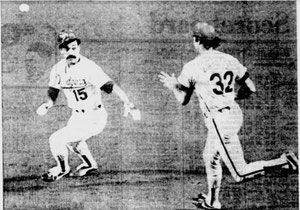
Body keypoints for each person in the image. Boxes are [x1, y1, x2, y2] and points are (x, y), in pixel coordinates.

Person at [158, 22, 298, 209]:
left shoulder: (192, 66)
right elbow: (251, 89)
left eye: (194, 39)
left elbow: (183, 99)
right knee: (210, 157)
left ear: (197, 41)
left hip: (218, 121)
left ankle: (285, 162)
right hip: (233, 114)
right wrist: (230, 97)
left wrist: (174, 85)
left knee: (241, 174)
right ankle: (213, 201)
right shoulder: (230, 60)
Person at [36, 30, 138, 182]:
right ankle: (90, 165)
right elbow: (53, 91)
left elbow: (110, 86)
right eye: (66, 48)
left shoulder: (89, 67)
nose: (71, 52)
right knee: (74, 143)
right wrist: (48, 104)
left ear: (78, 48)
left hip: (94, 116)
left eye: (74, 47)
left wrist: (128, 102)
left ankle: (62, 169)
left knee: (56, 139)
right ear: (60, 50)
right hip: (77, 116)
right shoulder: (57, 69)